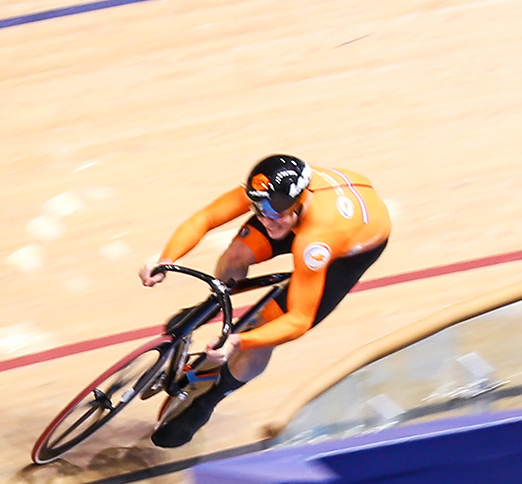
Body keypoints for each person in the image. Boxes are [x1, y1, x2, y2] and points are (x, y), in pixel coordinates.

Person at [138, 154, 389, 447]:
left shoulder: (317, 238)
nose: (266, 219)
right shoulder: (270, 196)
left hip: (347, 248)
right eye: (258, 208)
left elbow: (298, 320)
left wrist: (238, 342)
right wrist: (167, 259)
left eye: (274, 212)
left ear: (297, 201)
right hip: (318, 211)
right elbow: (206, 218)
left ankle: (210, 399)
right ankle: (216, 303)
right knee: (235, 255)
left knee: (267, 327)